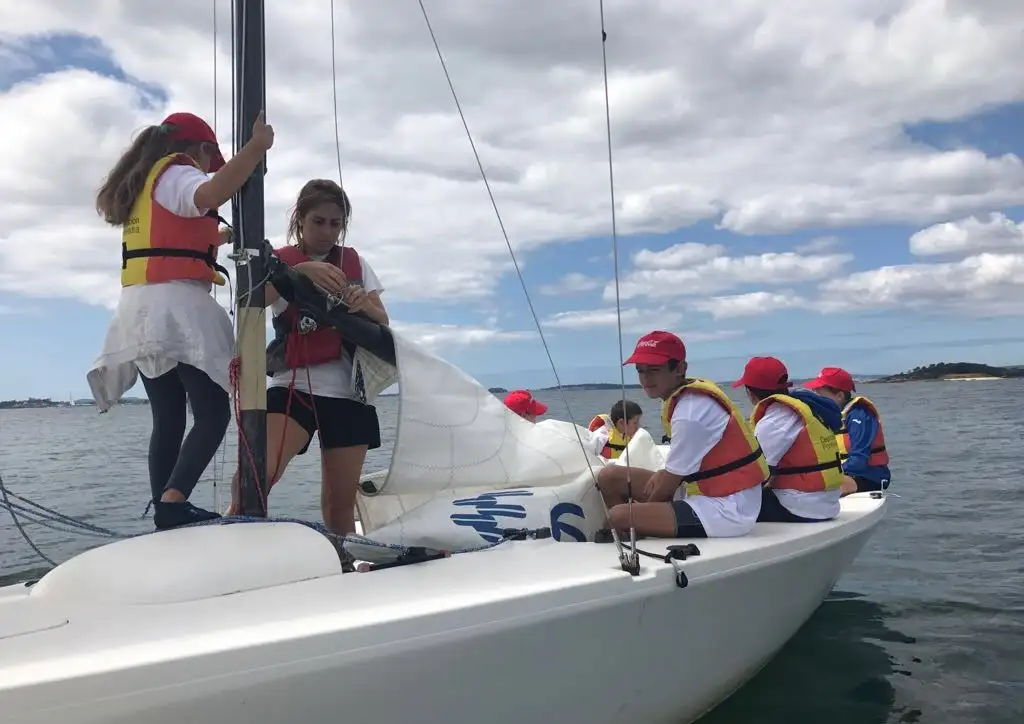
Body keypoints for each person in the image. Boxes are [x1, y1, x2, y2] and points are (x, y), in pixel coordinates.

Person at [88, 110, 274, 530]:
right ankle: (174, 501)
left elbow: (181, 228)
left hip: (138, 311)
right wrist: (257, 146)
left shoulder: (146, 184)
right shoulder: (177, 172)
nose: (211, 167)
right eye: (212, 158)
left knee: (169, 417)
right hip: (176, 308)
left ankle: (164, 513)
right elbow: (209, 194)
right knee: (212, 414)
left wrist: (222, 238)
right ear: (202, 149)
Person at [227, 179, 388, 535]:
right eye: (318, 221)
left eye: (336, 224)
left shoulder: (354, 262)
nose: (327, 231)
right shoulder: (279, 262)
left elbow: (383, 318)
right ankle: (230, 545)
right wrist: (298, 273)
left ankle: (343, 565)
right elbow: (253, 300)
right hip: (292, 388)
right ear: (300, 219)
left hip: (349, 394)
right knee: (254, 479)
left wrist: (365, 305)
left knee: (339, 504)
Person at [596, 331, 768, 538]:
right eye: (640, 371)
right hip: (700, 490)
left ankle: (633, 540)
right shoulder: (683, 398)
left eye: (654, 370)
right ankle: (635, 537)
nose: (645, 378)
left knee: (618, 517)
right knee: (609, 477)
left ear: (679, 369)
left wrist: (636, 516)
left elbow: (666, 488)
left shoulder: (691, 413)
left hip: (726, 509)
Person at [732, 356, 844, 522]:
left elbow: (755, 472)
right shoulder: (807, 408)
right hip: (825, 502)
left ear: (749, 392)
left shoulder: (776, 419)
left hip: (800, 507)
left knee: (723, 506)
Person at [804, 367, 891, 496]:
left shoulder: (860, 415)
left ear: (839, 396)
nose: (816, 399)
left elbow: (858, 461)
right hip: (844, 474)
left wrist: (826, 474)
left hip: (868, 476)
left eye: (820, 395)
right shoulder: (830, 416)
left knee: (814, 489)